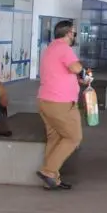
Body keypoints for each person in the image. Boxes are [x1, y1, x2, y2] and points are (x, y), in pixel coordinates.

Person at [36, 20, 90, 190]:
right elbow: (75, 67)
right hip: (60, 102)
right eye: (74, 33)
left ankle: (53, 180)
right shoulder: (64, 48)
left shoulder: (50, 49)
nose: (75, 36)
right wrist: (83, 71)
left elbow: (63, 72)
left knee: (55, 138)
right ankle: (49, 171)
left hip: (45, 100)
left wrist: (78, 78)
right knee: (74, 137)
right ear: (68, 34)